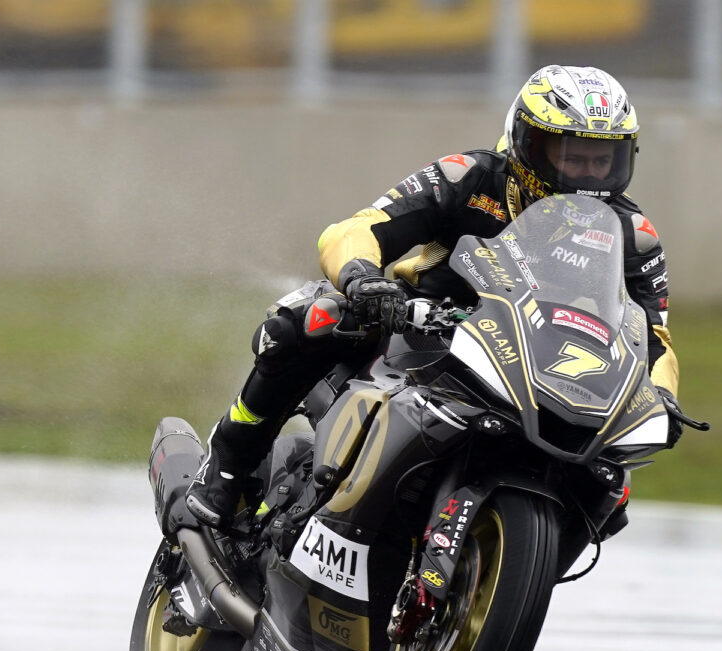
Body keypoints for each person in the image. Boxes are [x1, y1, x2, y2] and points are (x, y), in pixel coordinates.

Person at [186, 64, 683, 530]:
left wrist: (661, 398)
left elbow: (652, 337)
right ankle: (228, 460)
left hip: (535, 368)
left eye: (603, 160)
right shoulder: (466, 176)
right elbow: (360, 228)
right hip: (418, 330)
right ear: (529, 143)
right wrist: (362, 278)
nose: (588, 176)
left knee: (610, 487)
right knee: (311, 317)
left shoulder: (632, 234)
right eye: (572, 157)